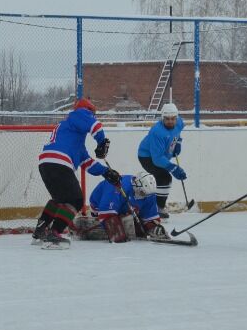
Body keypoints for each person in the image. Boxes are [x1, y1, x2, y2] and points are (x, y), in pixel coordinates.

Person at [33, 97, 118, 249]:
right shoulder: (79, 113)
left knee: (59, 199)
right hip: (60, 161)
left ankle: (40, 231)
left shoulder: (72, 136)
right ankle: (54, 234)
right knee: (76, 200)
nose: (92, 116)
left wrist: (106, 172)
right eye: (92, 114)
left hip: (46, 162)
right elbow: (96, 126)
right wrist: (101, 142)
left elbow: (87, 162)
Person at [84, 172, 167, 242]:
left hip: (126, 211)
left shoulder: (148, 193)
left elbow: (150, 216)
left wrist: (152, 226)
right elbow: (106, 213)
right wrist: (115, 230)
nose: (145, 197)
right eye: (142, 193)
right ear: (136, 185)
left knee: (135, 227)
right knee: (118, 232)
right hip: (100, 208)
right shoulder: (116, 187)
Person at [137, 102, 186, 218]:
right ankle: (158, 208)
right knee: (164, 177)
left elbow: (178, 132)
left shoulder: (180, 122)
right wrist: (173, 168)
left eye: (173, 119)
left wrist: (177, 143)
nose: (170, 121)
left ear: (177, 117)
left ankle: (156, 205)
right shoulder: (157, 132)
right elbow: (157, 159)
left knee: (162, 179)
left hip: (161, 154)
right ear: (162, 118)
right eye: (167, 119)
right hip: (147, 156)